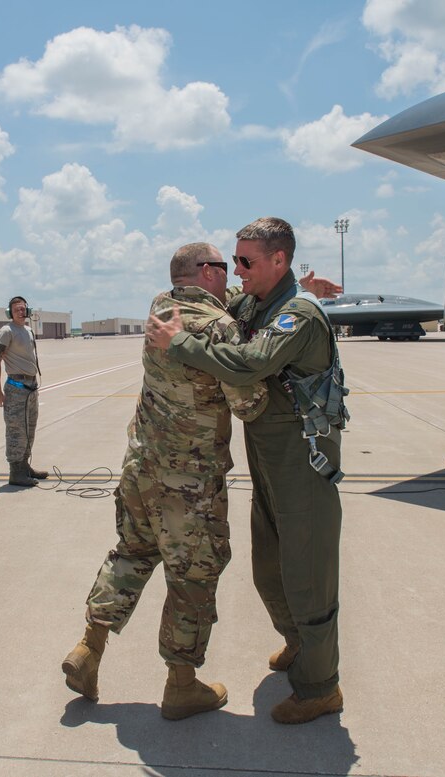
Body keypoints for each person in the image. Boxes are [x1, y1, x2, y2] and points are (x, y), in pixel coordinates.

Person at [147, 217, 348, 724]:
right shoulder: (259, 301)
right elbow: (207, 305)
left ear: (279, 261)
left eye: (246, 262)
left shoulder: (296, 316)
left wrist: (180, 345)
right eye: (234, 261)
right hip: (268, 458)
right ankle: (300, 644)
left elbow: (248, 364)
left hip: (302, 460)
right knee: (269, 567)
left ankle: (321, 686)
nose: (237, 272)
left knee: (308, 575)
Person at [62, 242, 268, 720]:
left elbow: (219, 301)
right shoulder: (219, 328)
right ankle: (182, 684)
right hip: (188, 482)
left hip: (141, 467)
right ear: (205, 272)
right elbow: (247, 403)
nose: (232, 273)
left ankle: (88, 648)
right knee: (194, 575)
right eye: (224, 266)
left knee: (131, 553)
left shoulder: (161, 306)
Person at [0, 296, 48, 487]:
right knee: (16, 431)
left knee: (30, 428)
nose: (21, 312)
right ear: (10, 312)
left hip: (31, 388)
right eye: (17, 309)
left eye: (23, 309)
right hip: (16, 388)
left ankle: (24, 466)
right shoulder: (6, 331)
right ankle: (15, 472)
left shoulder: (29, 330)